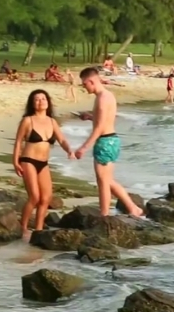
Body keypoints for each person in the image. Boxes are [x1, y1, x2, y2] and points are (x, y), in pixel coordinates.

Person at [75, 68, 143, 217]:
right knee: (107, 180)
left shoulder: (101, 99)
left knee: (103, 182)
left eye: (84, 84)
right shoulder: (107, 96)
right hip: (112, 140)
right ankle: (133, 208)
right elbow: (106, 120)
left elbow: (100, 128)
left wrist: (84, 147)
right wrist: (90, 117)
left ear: (91, 81)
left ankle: (104, 214)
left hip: (105, 141)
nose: (84, 87)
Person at [13, 90, 73, 240]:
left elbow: (62, 140)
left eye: (43, 98)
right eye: (37, 99)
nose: (41, 101)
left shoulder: (52, 122)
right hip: (28, 160)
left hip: (43, 163)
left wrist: (69, 151)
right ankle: (23, 228)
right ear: (32, 104)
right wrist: (15, 161)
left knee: (46, 198)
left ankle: (38, 230)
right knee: (34, 197)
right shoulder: (28, 120)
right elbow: (19, 141)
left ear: (48, 102)